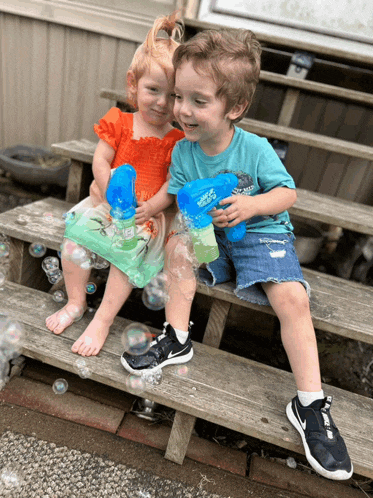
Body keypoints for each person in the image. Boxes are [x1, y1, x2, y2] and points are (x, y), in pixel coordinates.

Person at [121, 27, 353, 481]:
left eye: (198, 101)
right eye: (179, 97)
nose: (182, 110)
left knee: (292, 297)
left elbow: (288, 194)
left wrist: (252, 204)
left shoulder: (255, 149)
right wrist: (150, 209)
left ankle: (310, 404)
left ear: (235, 107)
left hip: (262, 232)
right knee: (177, 247)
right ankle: (177, 337)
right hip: (214, 237)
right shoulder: (184, 152)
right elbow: (177, 192)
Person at [46, 13, 185, 357]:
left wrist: (151, 207)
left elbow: (172, 183)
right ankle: (77, 301)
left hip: (144, 216)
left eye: (172, 95)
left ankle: (103, 319)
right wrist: (106, 186)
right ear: (133, 84)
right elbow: (100, 160)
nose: (161, 102)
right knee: (73, 241)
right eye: (153, 90)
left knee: (126, 258)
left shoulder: (178, 140)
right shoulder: (119, 122)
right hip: (108, 203)